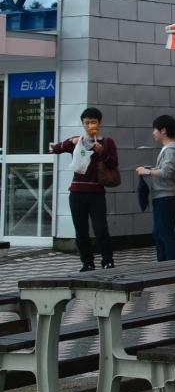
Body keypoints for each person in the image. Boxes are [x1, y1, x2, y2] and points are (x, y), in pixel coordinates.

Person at [49, 106, 117, 271]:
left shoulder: (107, 142)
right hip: (77, 192)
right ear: (82, 124)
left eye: (93, 122)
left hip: (96, 193)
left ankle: (108, 261)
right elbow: (54, 149)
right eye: (86, 123)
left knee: (101, 229)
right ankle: (87, 262)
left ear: (99, 123)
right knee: (81, 230)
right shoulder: (78, 141)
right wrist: (70, 141)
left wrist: (102, 153)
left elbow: (113, 163)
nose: (89, 125)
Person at [135, 114, 175, 261]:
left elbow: (167, 172)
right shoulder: (169, 149)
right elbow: (165, 170)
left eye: (155, 129)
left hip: (166, 197)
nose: (153, 133)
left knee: (165, 234)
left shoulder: (170, 150)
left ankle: (169, 267)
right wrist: (150, 169)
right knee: (158, 233)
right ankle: (162, 265)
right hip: (163, 197)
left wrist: (147, 172)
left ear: (163, 130)